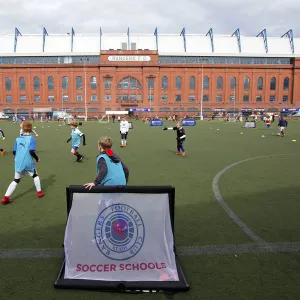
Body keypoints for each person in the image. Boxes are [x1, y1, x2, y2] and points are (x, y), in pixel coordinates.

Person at [1, 121, 44, 204]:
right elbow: (31, 151)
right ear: (31, 129)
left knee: (16, 180)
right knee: (35, 175)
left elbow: (14, 152)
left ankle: (5, 197)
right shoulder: (32, 139)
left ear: (22, 129)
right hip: (28, 162)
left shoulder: (17, 139)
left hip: (18, 162)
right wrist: (37, 158)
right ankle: (39, 193)